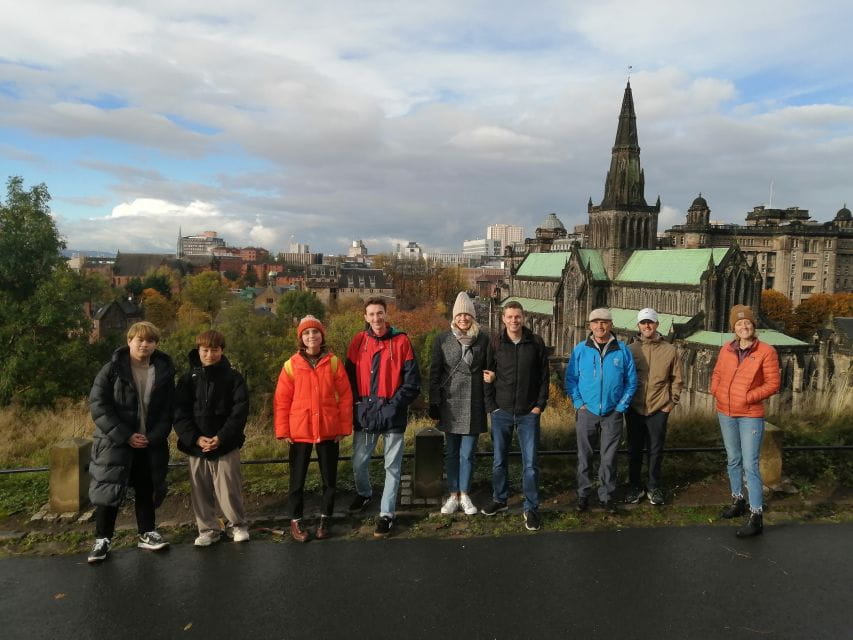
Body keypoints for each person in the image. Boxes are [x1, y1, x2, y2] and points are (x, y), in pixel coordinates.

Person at [87, 321, 175, 563]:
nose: (144, 344)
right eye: (140, 340)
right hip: (115, 442)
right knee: (109, 488)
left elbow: (168, 410)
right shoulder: (112, 369)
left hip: (149, 442)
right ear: (129, 341)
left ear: (156, 344)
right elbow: (99, 405)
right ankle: (102, 539)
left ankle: (146, 532)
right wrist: (126, 435)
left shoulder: (164, 372)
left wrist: (154, 436)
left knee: (146, 488)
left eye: (150, 341)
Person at [346, 298, 420, 538]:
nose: (376, 318)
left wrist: (394, 405)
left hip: (392, 413)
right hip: (366, 413)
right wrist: (358, 404)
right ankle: (365, 493)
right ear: (365, 317)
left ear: (386, 314)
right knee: (359, 461)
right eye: (371, 314)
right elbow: (348, 378)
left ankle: (386, 514)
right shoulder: (358, 341)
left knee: (392, 466)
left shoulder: (401, 341)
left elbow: (412, 382)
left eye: (380, 313)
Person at [274, 315, 353, 542]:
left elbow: (346, 397)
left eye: (315, 332)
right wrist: (284, 430)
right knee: (297, 480)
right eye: (307, 333)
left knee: (329, 479)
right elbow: (282, 400)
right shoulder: (291, 366)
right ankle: (296, 521)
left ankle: (324, 518)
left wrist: (343, 427)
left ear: (322, 335)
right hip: (300, 431)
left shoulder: (334, 362)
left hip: (328, 429)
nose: (311, 336)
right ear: (301, 338)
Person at [174, 329, 251, 547]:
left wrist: (221, 437)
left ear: (222, 350)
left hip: (226, 444)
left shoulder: (234, 378)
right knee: (200, 489)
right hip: (196, 446)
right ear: (198, 351)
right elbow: (179, 413)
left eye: (214, 350)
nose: (210, 354)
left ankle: (237, 525)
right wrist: (195, 438)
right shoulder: (187, 380)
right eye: (205, 350)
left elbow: (240, 412)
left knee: (229, 488)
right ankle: (208, 529)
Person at [710, 304, 780, 537]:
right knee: (733, 459)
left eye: (747, 322)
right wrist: (716, 391)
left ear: (753, 325)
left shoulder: (766, 351)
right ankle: (738, 500)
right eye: (739, 323)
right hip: (725, 411)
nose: (743, 326)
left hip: (750, 415)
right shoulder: (726, 349)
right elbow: (718, 373)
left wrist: (748, 397)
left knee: (750, 464)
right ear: (734, 328)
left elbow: (773, 383)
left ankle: (756, 515)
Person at [481, 301, 550, 531]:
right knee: (499, 461)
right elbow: (487, 375)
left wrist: (539, 406)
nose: (514, 321)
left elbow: (543, 377)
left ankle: (531, 508)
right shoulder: (496, 342)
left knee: (530, 465)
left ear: (524, 317)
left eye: (517, 317)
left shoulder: (535, 342)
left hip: (528, 413)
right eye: (509, 317)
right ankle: (500, 500)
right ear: (503, 319)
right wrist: (492, 407)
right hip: (501, 412)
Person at [565, 308, 637, 514]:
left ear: (611, 325)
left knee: (609, 457)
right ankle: (583, 495)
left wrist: (621, 406)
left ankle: (606, 496)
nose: (600, 326)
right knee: (584, 456)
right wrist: (578, 403)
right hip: (587, 411)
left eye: (604, 322)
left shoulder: (623, 350)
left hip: (612, 412)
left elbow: (631, 381)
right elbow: (571, 378)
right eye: (595, 322)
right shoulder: (580, 349)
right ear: (589, 325)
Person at [429, 292, 493, 516]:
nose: (463, 318)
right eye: (459, 315)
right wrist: (434, 402)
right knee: (452, 453)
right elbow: (435, 372)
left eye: (467, 314)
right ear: (454, 317)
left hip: (474, 403)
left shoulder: (483, 340)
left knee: (468, 454)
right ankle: (453, 493)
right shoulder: (442, 339)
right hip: (450, 404)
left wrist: (489, 398)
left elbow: (489, 369)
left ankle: (464, 494)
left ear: (473, 317)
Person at [625, 308, 683, 505]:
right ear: (638, 326)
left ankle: (654, 486)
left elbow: (677, 379)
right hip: (634, 408)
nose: (647, 326)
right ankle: (634, 486)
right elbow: (623, 377)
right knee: (634, 449)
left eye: (650, 322)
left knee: (655, 450)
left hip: (659, 408)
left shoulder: (670, 350)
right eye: (643, 323)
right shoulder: (631, 350)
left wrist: (671, 402)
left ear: (657, 324)